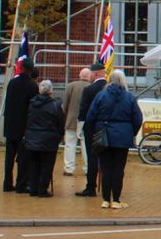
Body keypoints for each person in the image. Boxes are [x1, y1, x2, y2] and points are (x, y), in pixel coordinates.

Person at [83, 70, 142, 209]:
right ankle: (116, 199)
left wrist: (92, 133)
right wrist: (130, 132)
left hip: (104, 135)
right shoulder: (129, 97)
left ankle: (105, 199)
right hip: (122, 137)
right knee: (118, 169)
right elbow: (138, 118)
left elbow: (91, 116)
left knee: (105, 167)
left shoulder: (101, 95)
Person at [23, 79, 64, 197]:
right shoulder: (55, 105)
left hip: (32, 139)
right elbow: (60, 122)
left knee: (33, 164)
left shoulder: (31, 103)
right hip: (49, 140)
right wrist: (60, 135)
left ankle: (33, 189)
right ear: (51, 91)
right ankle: (42, 190)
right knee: (47, 165)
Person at [2, 59, 38, 193]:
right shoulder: (32, 86)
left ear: (21, 68)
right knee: (23, 158)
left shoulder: (12, 83)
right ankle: (20, 184)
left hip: (10, 125)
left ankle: (7, 183)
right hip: (24, 127)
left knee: (9, 158)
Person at [75, 62, 107, 197]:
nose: (90, 77)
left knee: (92, 158)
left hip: (91, 128)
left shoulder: (89, 90)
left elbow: (83, 111)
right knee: (107, 158)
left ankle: (91, 187)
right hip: (107, 128)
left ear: (95, 73)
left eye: (91, 74)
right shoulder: (110, 88)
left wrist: (80, 127)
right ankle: (107, 187)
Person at [60, 67, 91, 177]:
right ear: (89, 76)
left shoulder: (71, 86)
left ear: (80, 75)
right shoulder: (91, 87)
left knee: (69, 145)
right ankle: (88, 168)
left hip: (71, 120)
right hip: (86, 121)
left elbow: (65, 104)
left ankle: (69, 168)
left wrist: (65, 116)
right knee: (86, 146)